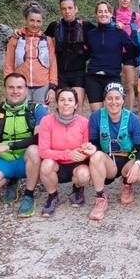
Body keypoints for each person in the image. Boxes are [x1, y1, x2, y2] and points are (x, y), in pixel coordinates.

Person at [0, 73, 48, 218]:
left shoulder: (37, 110)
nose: (15, 91)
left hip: (27, 159)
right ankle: (12, 179)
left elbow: (38, 139)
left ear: (26, 90)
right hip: (5, 160)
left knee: (34, 150)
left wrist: (9, 145)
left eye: (19, 87)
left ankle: (29, 195)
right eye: (11, 87)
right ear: (4, 89)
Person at [82, 83, 140, 221]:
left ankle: (126, 184)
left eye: (117, 98)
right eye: (109, 98)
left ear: (123, 99)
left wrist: (137, 164)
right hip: (108, 160)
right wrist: (93, 150)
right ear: (104, 100)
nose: (113, 102)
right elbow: (94, 143)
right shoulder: (96, 117)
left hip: (128, 158)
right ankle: (100, 198)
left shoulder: (133, 119)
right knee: (95, 156)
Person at [37, 88, 91, 218]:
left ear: (76, 105)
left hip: (77, 163)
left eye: (70, 100)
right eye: (62, 100)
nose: (66, 103)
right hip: (57, 164)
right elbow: (43, 151)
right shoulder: (46, 121)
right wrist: (67, 154)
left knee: (84, 175)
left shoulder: (84, 123)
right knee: (46, 165)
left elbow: (87, 148)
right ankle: (52, 196)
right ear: (57, 103)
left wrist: (83, 153)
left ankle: (77, 189)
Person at [84, 0, 138, 111]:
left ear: (111, 14)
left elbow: (134, 50)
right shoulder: (91, 34)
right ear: (96, 14)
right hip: (93, 77)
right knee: (97, 114)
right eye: (100, 11)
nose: (103, 14)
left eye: (106, 11)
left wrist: (120, 57)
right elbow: (87, 53)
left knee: (113, 112)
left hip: (112, 76)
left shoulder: (119, 32)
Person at [44, 0, 95, 111]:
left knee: (77, 108)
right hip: (60, 74)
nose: (67, 11)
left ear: (76, 9)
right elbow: (39, 39)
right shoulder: (54, 26)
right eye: (64, 9)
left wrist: (117, 26)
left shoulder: (86, 26)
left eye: (70, 8)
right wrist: (21, 31)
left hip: (79, 73)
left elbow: (103, 33)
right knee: (63, 109)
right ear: (60, 10)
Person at [4, 1, 58, 104]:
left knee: (40, 117)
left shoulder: (48, 40)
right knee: (21, 115)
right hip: (21, 85)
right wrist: (8, 83)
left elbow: (53, 65)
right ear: (26, 20)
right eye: (32, 20)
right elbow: (9, 63)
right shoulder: (16, 38)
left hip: (43, 86)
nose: (35, 24)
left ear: (42, 22)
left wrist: (52, 87)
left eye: (38, 21)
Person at [114, 0, 140, 112]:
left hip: (130, 54)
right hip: (114, 53)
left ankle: (129, 112)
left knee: (129, 85)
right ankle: (115, 109)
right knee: (115, 85)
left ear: (131, 0)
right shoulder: (113, 15)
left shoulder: (136, 16)